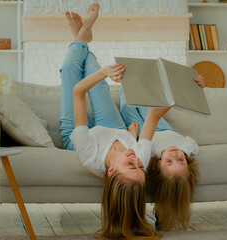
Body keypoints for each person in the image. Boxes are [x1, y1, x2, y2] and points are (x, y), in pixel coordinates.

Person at [59, 4, 163, 239]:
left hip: (76, 134)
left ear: (111, 171)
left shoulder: (88, 155)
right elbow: (155, 115)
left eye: (130, 165)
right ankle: (82, 36)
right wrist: (185, 92)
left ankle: (82, 35)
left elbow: (78, 93)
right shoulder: (140, 161)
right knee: (92, 66)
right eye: (140, 167)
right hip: (115, 129)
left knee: (70, 69)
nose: (137, 160)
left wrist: (106, 72)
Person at [119, 76, 204, 231]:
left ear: (158, 164)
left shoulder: (152, 154)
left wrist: (132, 134)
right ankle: (142, 80)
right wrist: (183, 153)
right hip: (163, 127)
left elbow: (137, 148)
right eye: (180, 160)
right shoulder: (186, 147)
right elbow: (193, 145)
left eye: (169, 162)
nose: (174, 155)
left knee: (126, 106)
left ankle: (127, 82)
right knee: (148, 105)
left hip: (143, 133)